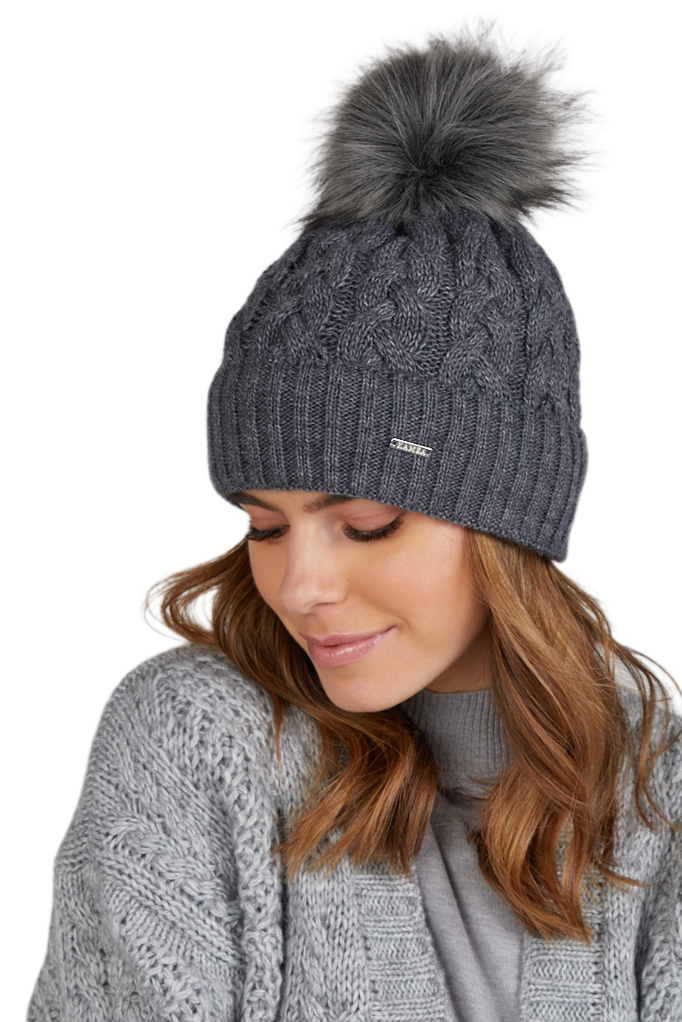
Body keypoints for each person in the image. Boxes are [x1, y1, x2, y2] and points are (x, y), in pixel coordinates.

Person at [27, 28, 681, 1022]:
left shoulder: (656, 790)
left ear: (509, 523)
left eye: (367, 523)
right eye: (264, 524)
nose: (299, 586)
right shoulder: (196, 740)